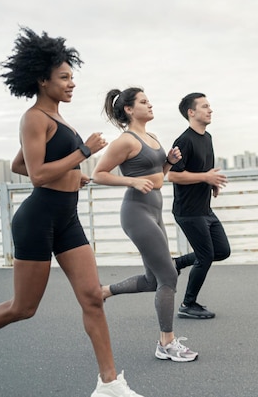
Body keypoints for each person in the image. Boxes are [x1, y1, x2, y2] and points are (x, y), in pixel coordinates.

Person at [0, 27, 143, 397]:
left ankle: (110, 384)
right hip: (37, 220)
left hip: (66, 218)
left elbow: (20, 164)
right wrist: (83, 154)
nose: (71, 84)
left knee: (92, 296)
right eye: (64, 77)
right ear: (42, 80)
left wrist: (72, 176)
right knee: (24, 307)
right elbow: (35, 176)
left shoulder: (60, 121)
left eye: (72, 77)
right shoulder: (34, 118)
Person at [92, 87, 198, 362]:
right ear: (129, 109)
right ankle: (166, 343)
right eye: (143, 101)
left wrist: (168, 164)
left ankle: (104, 291)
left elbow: (157, 179)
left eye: (149, 100)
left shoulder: (151, 136)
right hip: (136, 212)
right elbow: (98, 174)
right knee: (168, 277)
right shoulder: (125, 141)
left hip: (154, 209)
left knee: (154, 279)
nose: (150, 105)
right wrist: (131, 181)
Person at [167, 93, 231, 319]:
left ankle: (177, 263)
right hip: (188, 211)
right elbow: (173, 176)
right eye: (205, 107)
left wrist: (212, 183)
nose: (210, 110)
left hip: (204, 209)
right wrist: (205, 178)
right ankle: (187, 304)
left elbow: (207, 170)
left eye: (210, 106)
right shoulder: (183, 141)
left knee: (222, 251)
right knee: (205, 257)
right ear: (191, 112)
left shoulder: (208, 137)